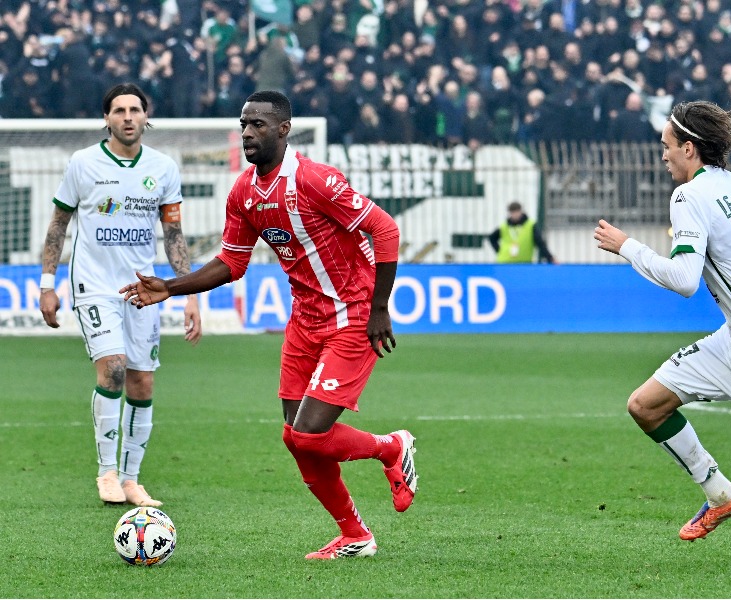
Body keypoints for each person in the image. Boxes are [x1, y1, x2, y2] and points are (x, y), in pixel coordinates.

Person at [120, 90, 418, 560]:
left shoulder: (316, 180)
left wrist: (379, 307)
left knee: (309, 433)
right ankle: (355, 536)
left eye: (257, 124)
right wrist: (171, 287)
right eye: (243, 124)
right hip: (304, 321)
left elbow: (385, 229)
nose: (247, 133)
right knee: (295, 439)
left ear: (283, 129)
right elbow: (231, 263)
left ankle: (391, 448)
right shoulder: (243, 192)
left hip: (353, 314)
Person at [593, 100, 731, 541]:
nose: (663, 155)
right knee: (646, 406)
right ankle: (721, 494)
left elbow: (685, 280)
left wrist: (627, 246)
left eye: (666, 146)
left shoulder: (688, 196)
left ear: (689, 148)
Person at [39, 83, 202, 508]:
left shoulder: (163, 168)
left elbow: (173, 234)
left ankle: (131, 480)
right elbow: (58, 225)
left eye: (134, 110)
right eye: (119, 110)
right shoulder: (83, 163)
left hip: (143, 290)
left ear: (146, 117)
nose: (127, 117)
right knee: (112, 368)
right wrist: (46, 284)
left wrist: (189, 294)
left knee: (142, 381)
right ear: (106, 119)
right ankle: (107, 472)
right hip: (94, 285)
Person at [488, 201, 556, 264]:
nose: (515, 215)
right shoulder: (504, 226)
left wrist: (550, 257)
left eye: (517, 212)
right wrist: (500, 251)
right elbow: (492, 238)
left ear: (521, 211)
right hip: (504, 262)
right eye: (512, 212)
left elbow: (540, 243)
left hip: (524, 263)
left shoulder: (530, 225)